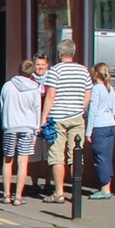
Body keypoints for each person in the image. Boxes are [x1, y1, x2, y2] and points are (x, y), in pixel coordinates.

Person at [41, 41, 93, 200]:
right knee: (76, 155)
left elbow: (50, 95)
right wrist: (80, 109)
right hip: (76, 117)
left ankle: (59, 192)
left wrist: (43, 117)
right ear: (74, 53)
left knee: (56, 155)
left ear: (59, 53)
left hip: (57, 117)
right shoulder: (83, 71)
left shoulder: (54, 71)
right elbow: (88, 95)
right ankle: (76, 191)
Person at [0, 54, 43, 205]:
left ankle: (6, 194)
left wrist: (5, 124)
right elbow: (37, 110)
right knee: (23, 162)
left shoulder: (7, 86)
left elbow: (2, 107)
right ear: (32, 72)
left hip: (10, 126)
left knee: (7, 161)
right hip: (28, 127)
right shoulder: (35, 88)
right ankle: (18, 197)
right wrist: (36, 130)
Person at [86, 61, 115, 197]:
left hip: (100, 126)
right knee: (107, 157)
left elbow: (93, 111)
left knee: (100, 157)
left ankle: (104, 189)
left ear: (96, 74)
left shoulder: (97, 89)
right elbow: (113, 109)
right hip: (111, 125)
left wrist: (88, 131)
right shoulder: (110, 89)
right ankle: (107, 187)